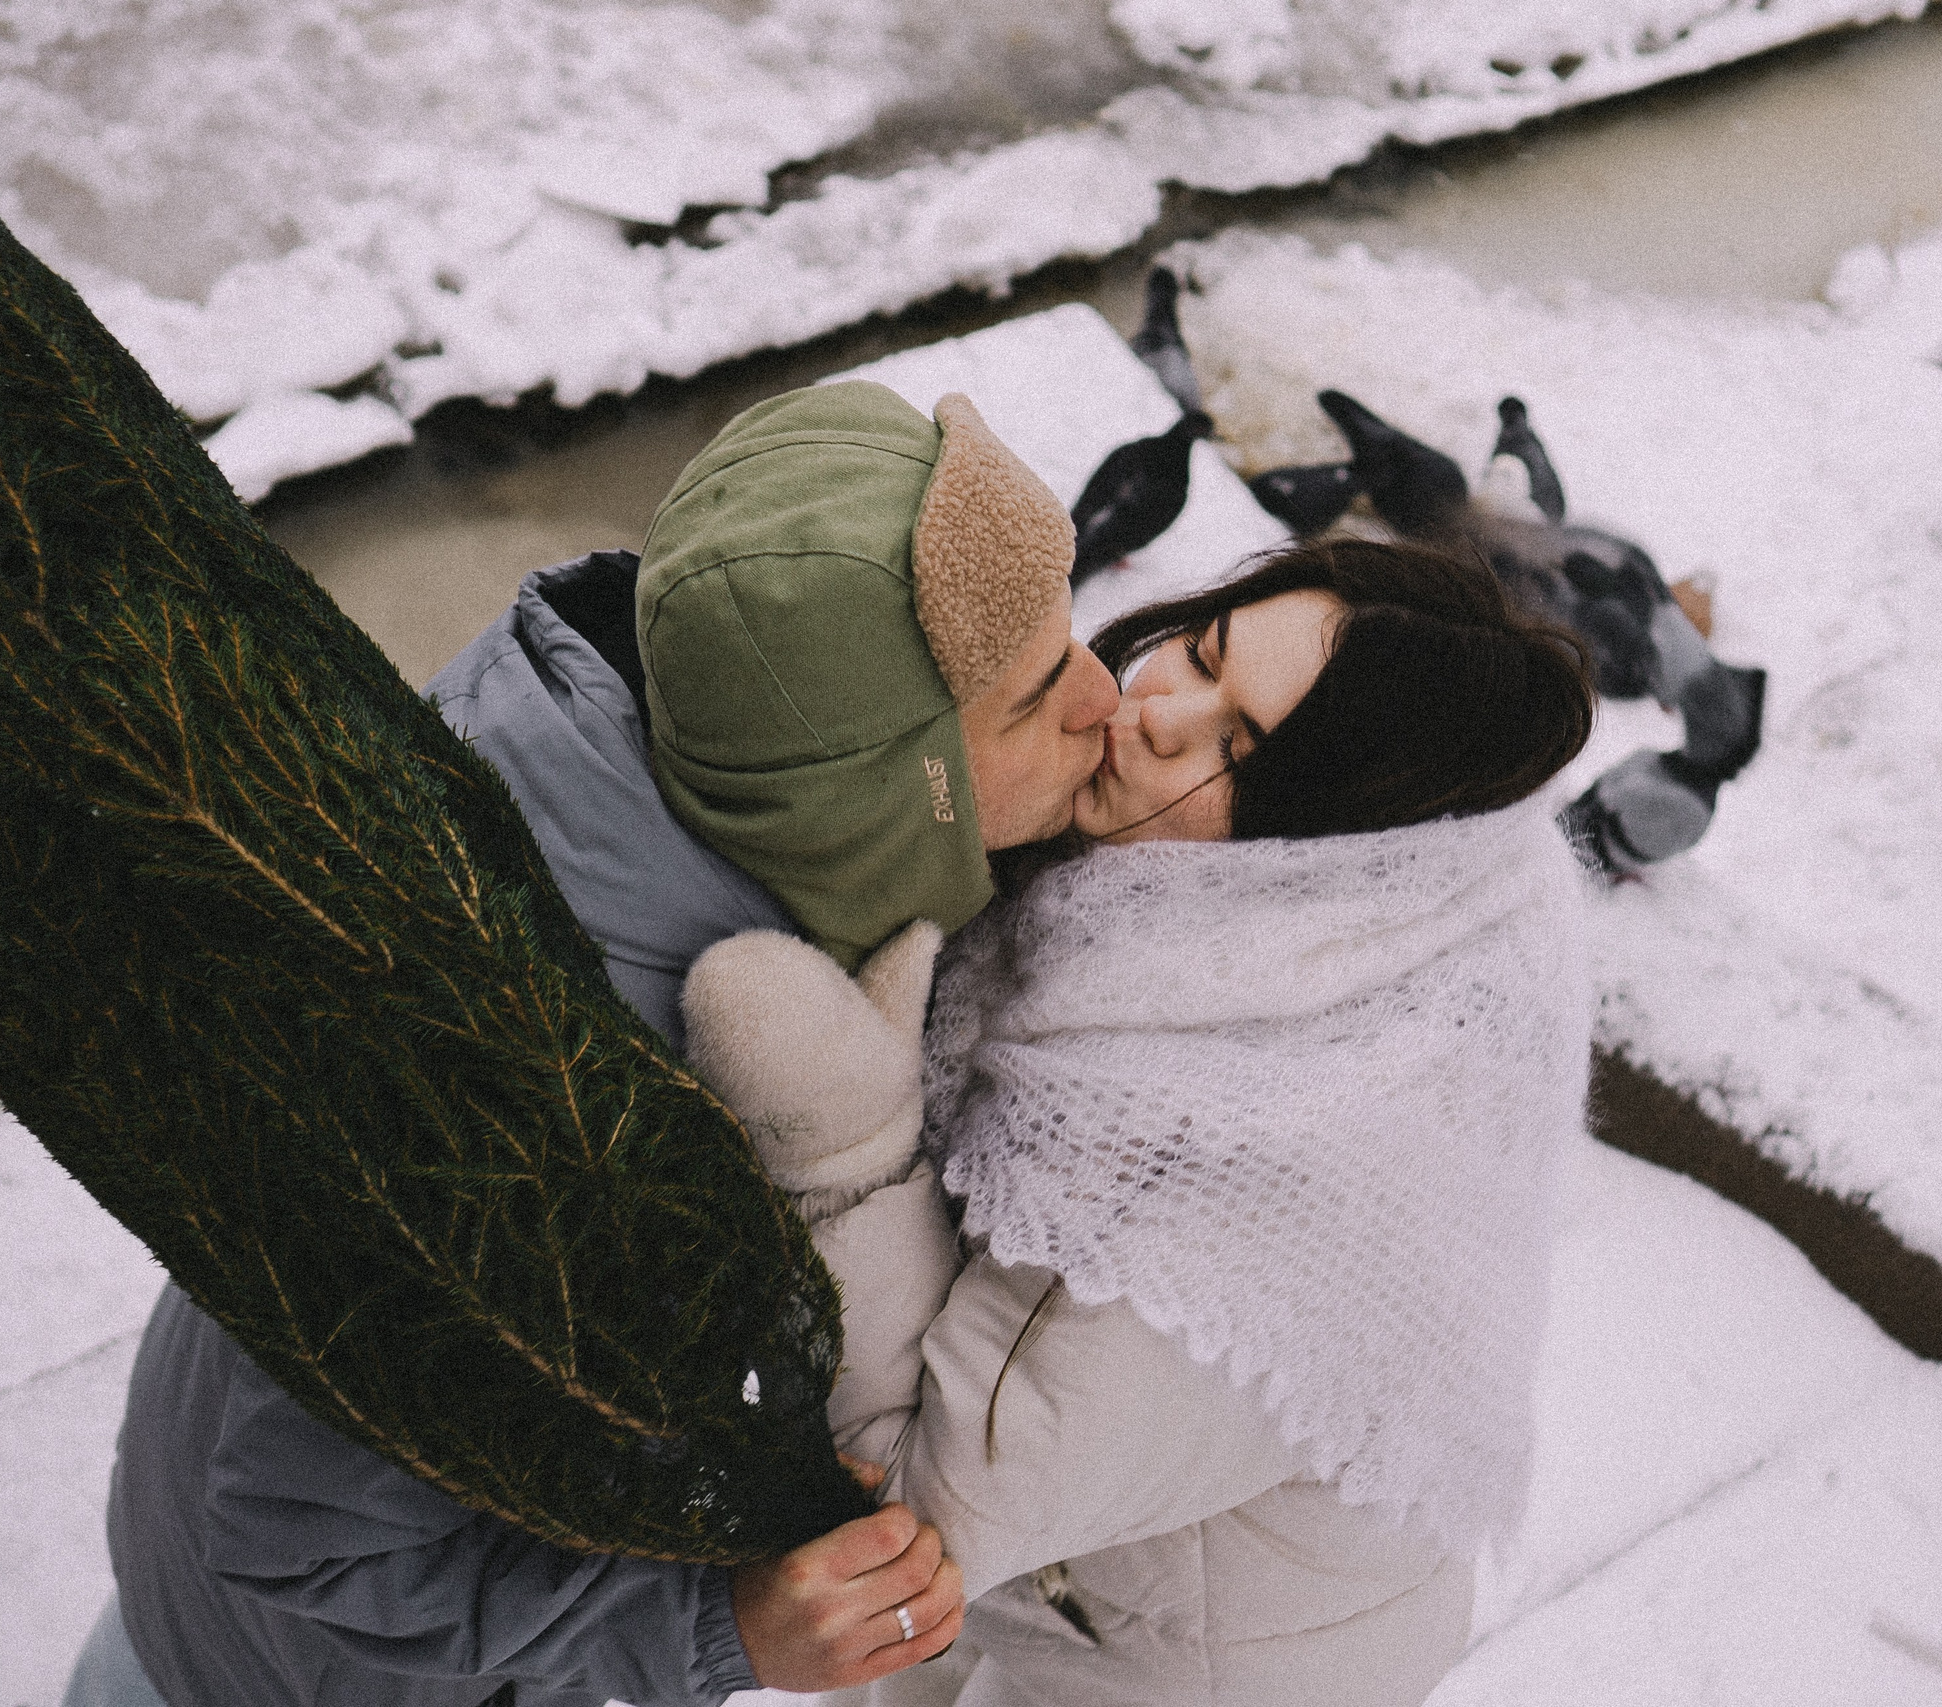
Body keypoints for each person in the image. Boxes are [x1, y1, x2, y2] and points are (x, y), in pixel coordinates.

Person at [70, 381, 1120, 1707]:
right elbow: (305, 1538)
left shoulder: (602, 789)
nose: (1107, 695)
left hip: (196, 1550)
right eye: (1033, 698)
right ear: (873, 800)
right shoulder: (518, 1098)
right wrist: (710, 1628)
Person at [681, 536, 1600, 1706]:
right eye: (1203, 652)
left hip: (1189, 1668)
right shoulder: (1410, 898)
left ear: (1330, 847)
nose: (1159, 711)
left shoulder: (1198, 1188)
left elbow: (909, 1522)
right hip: (1114, 1559)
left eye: (1238, 748)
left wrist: (842, 1147)